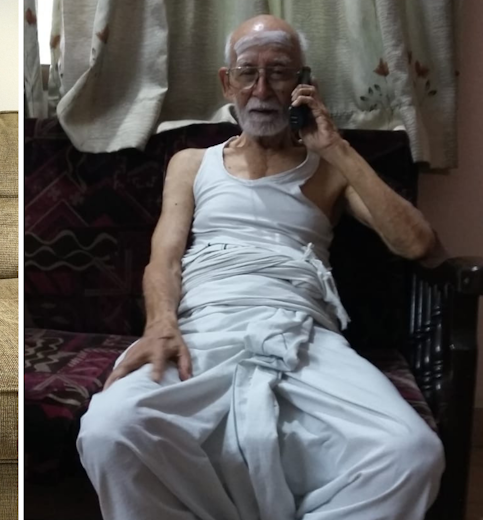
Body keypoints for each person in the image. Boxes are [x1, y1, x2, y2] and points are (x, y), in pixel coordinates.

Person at [76, 14, 444, 520]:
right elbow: (164, 258)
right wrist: (161, 323)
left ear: (303, 83)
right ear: (228, 82)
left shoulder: (332, 168)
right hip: (203, 328)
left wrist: (336, 147)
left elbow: (418, 244)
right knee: (108, 430)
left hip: (304, 335)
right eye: (248, 73)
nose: (263, 89)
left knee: (412, 454)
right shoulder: (191, 162)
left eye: (280, 73)